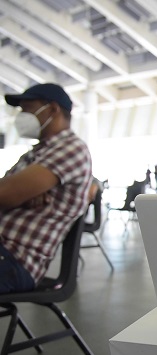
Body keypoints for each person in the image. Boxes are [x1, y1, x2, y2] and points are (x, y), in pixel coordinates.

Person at [0, 83, 92, 293]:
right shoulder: (36, 153)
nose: (21, 116)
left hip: (14, 259)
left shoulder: (70, 148)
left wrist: (14, 193)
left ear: (52, 109)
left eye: (28, 108)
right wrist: (19, 192)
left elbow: (5, 194)